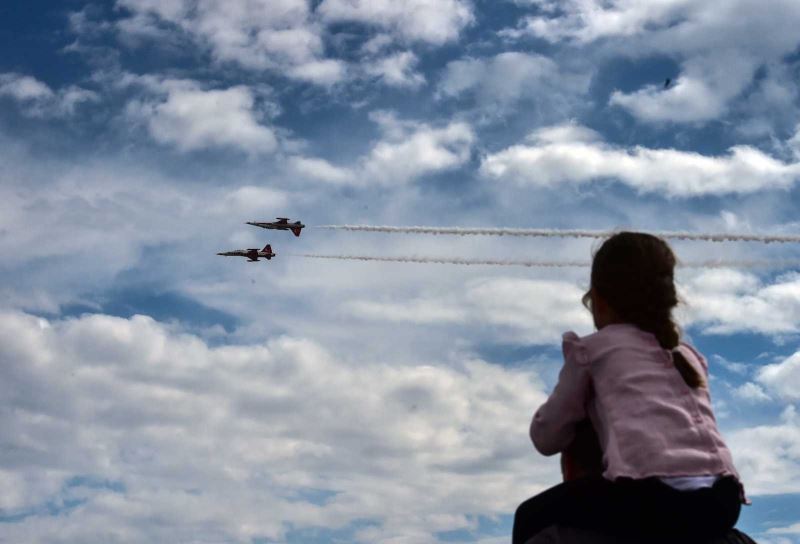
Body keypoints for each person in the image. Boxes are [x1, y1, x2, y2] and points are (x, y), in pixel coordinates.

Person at [513, 232, 749, 544]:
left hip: (649, 497)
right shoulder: (688, 357)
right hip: (722, 500)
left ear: (598, 299)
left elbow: (546, 438)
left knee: (529, 517)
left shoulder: (592, 350)